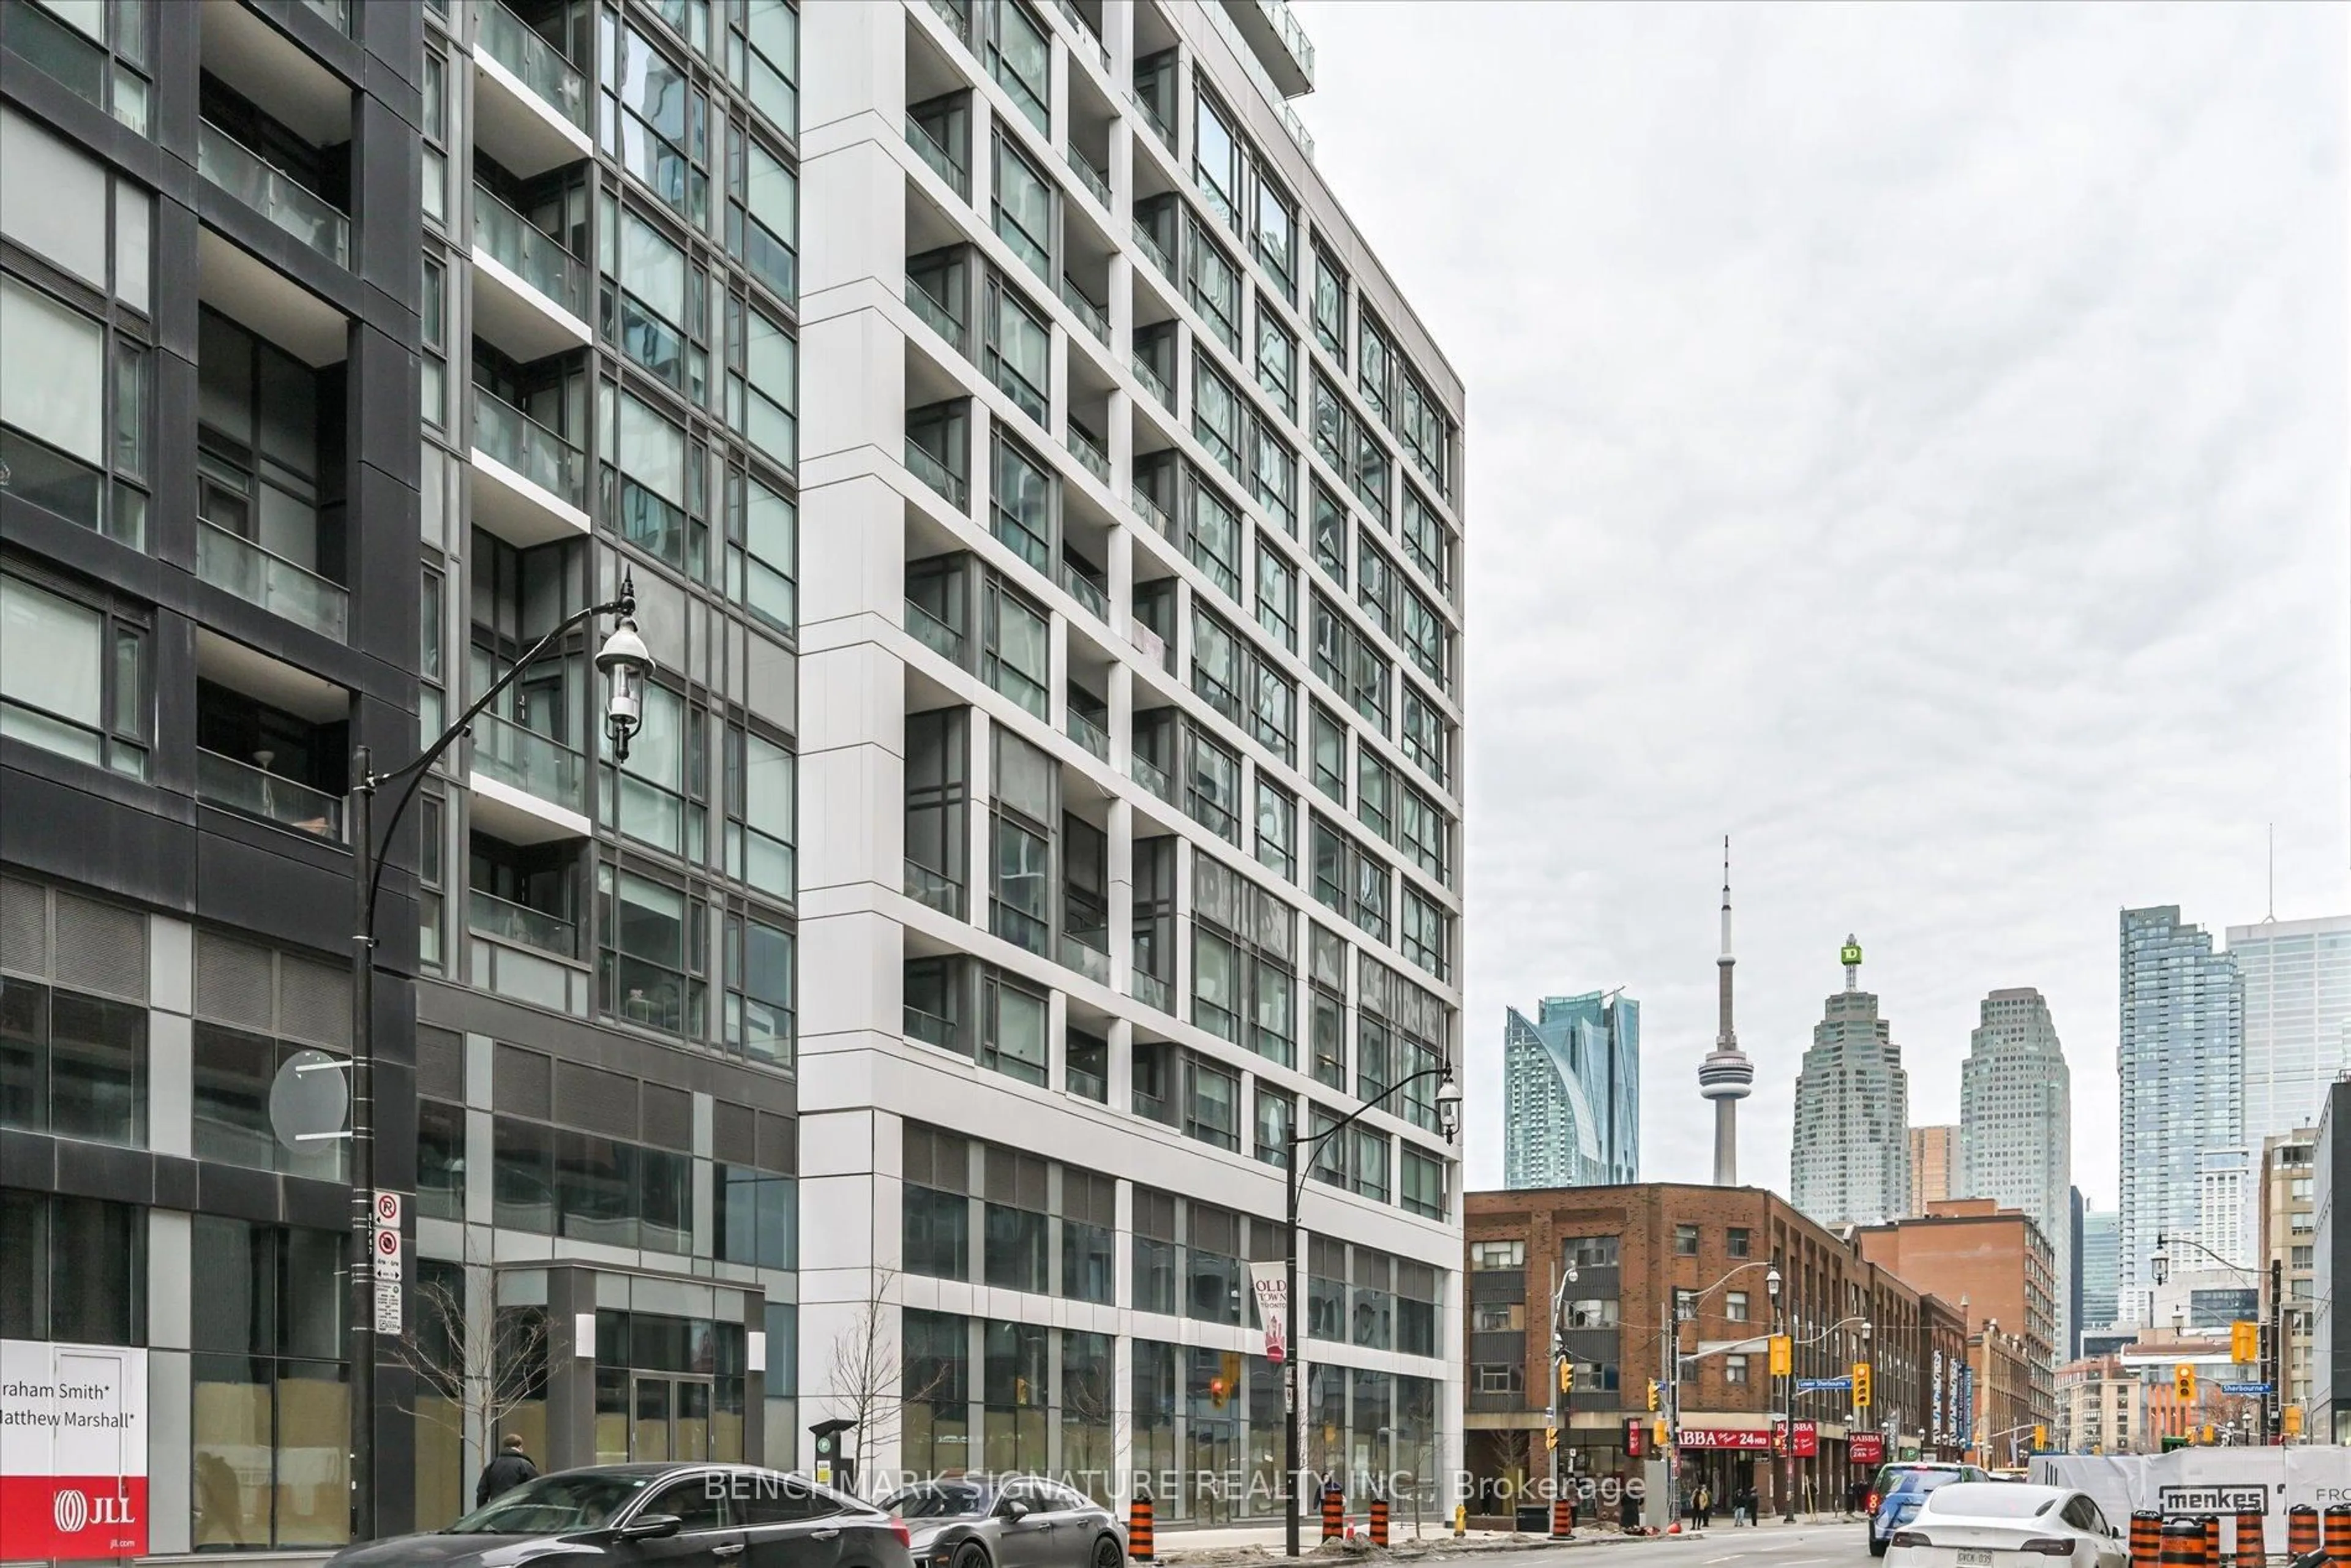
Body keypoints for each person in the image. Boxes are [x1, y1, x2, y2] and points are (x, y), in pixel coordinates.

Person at [476, 1432, 539, 1508]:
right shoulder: (525, 1465)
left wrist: (482, 1513)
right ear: (520, 1447)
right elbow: (537, 1488)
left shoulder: (492, 1466)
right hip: (519, 1511)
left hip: (497, 1511)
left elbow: (482, 1493)